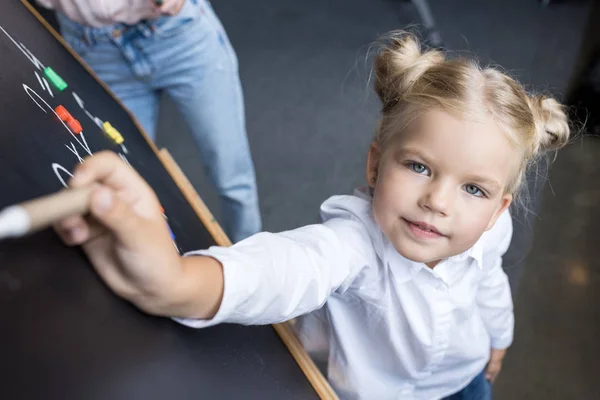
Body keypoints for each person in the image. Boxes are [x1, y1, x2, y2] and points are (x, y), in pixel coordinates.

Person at [53, 33, 571, 399]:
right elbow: (284, 268)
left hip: (465, 381)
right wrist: (172, 280)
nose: (438, 201)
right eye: (418, 166)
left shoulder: (490, 229)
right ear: (375, 162)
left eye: (474, 188)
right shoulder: (354, 246)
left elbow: (489, 286)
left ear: (500, 205)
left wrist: (499, 339)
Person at [36, 0, 261, 243]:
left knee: (231, 177)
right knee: (124, 181)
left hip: (178, 34)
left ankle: (254, 265)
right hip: (95, 48)